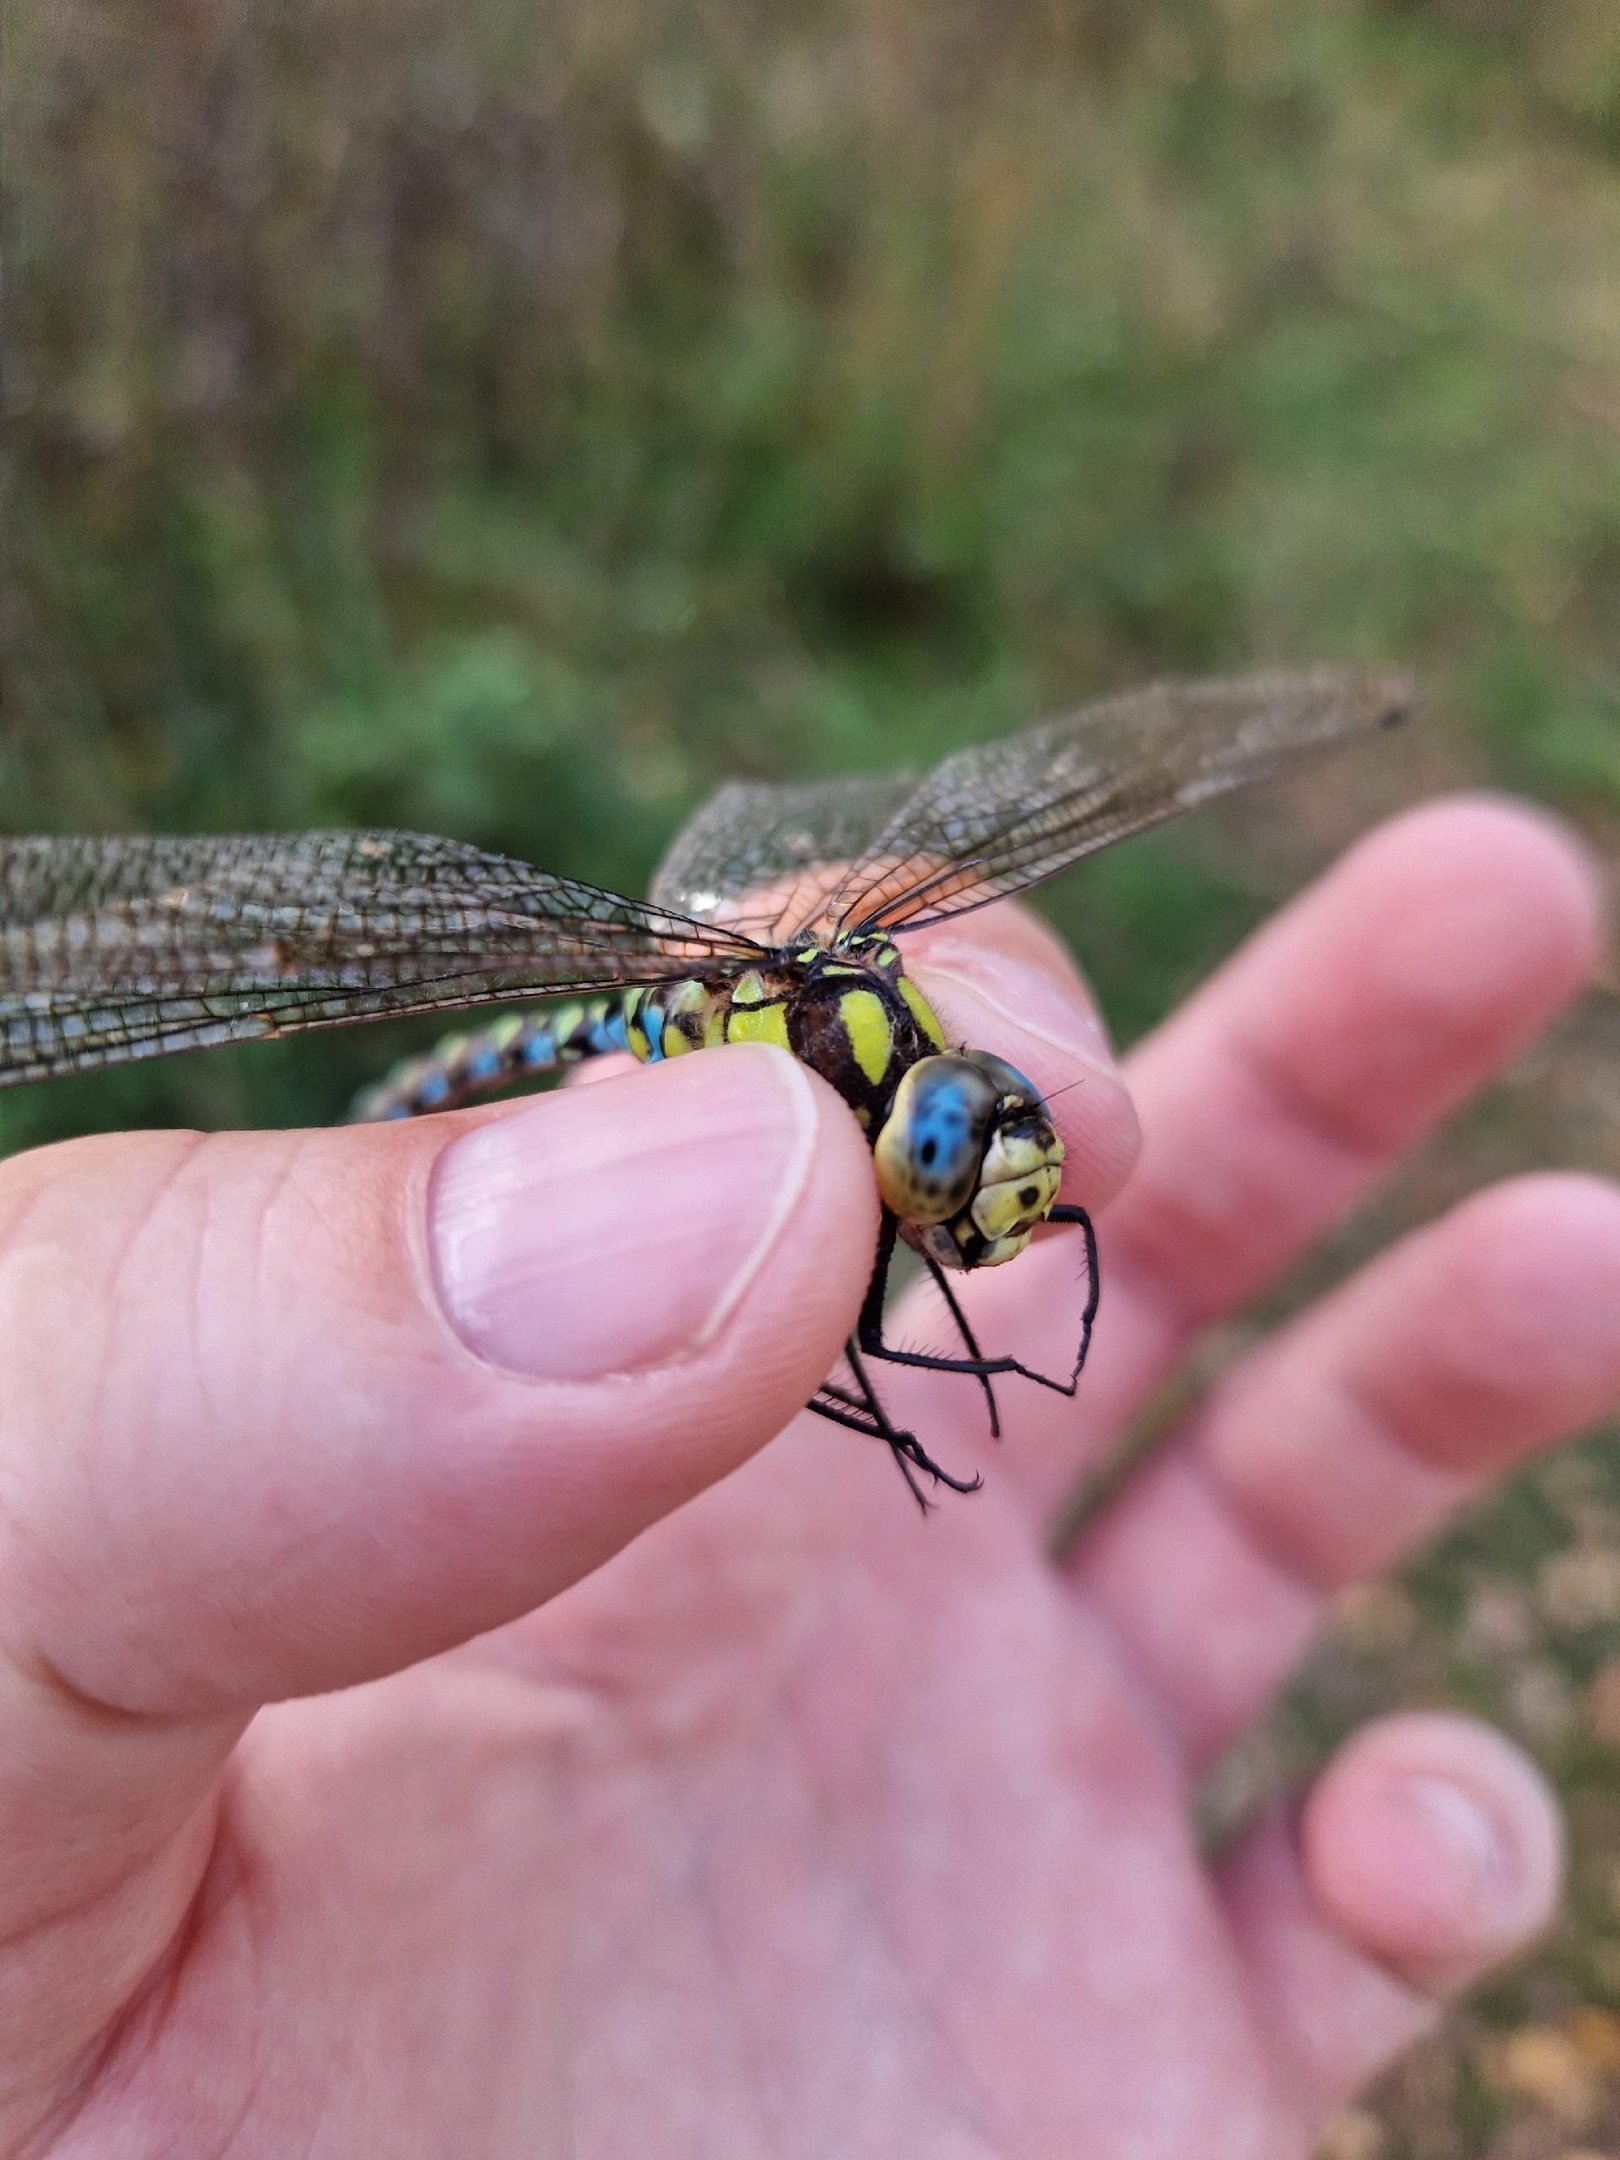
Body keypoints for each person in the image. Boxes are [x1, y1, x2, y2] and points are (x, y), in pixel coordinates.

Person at [2, 794, 1616, 2159]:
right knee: (831, 1337)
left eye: (984, 1143)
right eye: (955, 1163)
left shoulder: (931, 1061)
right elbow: (840, 1342)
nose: (990, 1188)